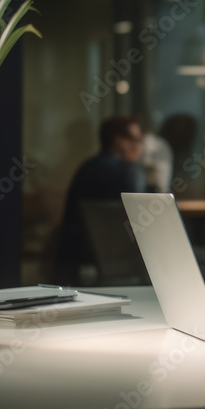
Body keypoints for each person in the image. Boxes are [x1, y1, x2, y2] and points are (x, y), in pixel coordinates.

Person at [55, 115, 146, 284]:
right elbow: (141, 214)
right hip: (120, 258)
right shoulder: (126, 173)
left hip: (78, 258)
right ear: (118, 141)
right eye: (136, 139)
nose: (141, 145)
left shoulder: (87, 168)